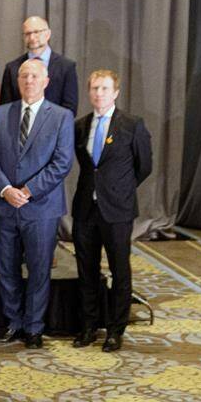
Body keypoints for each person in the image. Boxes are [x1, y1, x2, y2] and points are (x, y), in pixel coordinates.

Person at [0, 58, 75, 348]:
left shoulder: (61, 117)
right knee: (6, 268)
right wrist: (7, 189)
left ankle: (34, 326)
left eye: (35, 76)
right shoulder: (1, 114)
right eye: (24, 76)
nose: (29, 81)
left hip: (41, 208)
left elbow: (62, 163)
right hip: (5, 205)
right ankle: (13, 323)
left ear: (46, 81)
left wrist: (29, 190)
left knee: (38, 270)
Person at [72, 70, 153, 352]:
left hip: (117, 210)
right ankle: (89, 326)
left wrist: (120, 189)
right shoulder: (80, 126)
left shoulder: (132, 125)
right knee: (87, 270)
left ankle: (116, 330)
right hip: (85, 209)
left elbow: (144, 166)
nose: (99, 93)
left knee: (120, 271)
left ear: (115, 92)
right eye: (94, 88)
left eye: (104, 88)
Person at [0, 16, 79, 113]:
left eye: (37, 32)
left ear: (48, 34)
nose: (32, 37)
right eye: (27, 34)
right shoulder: (12, 68)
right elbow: (5, 108)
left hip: (54, 126)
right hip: (20, 126)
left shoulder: (66, 67)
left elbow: (70, 109)